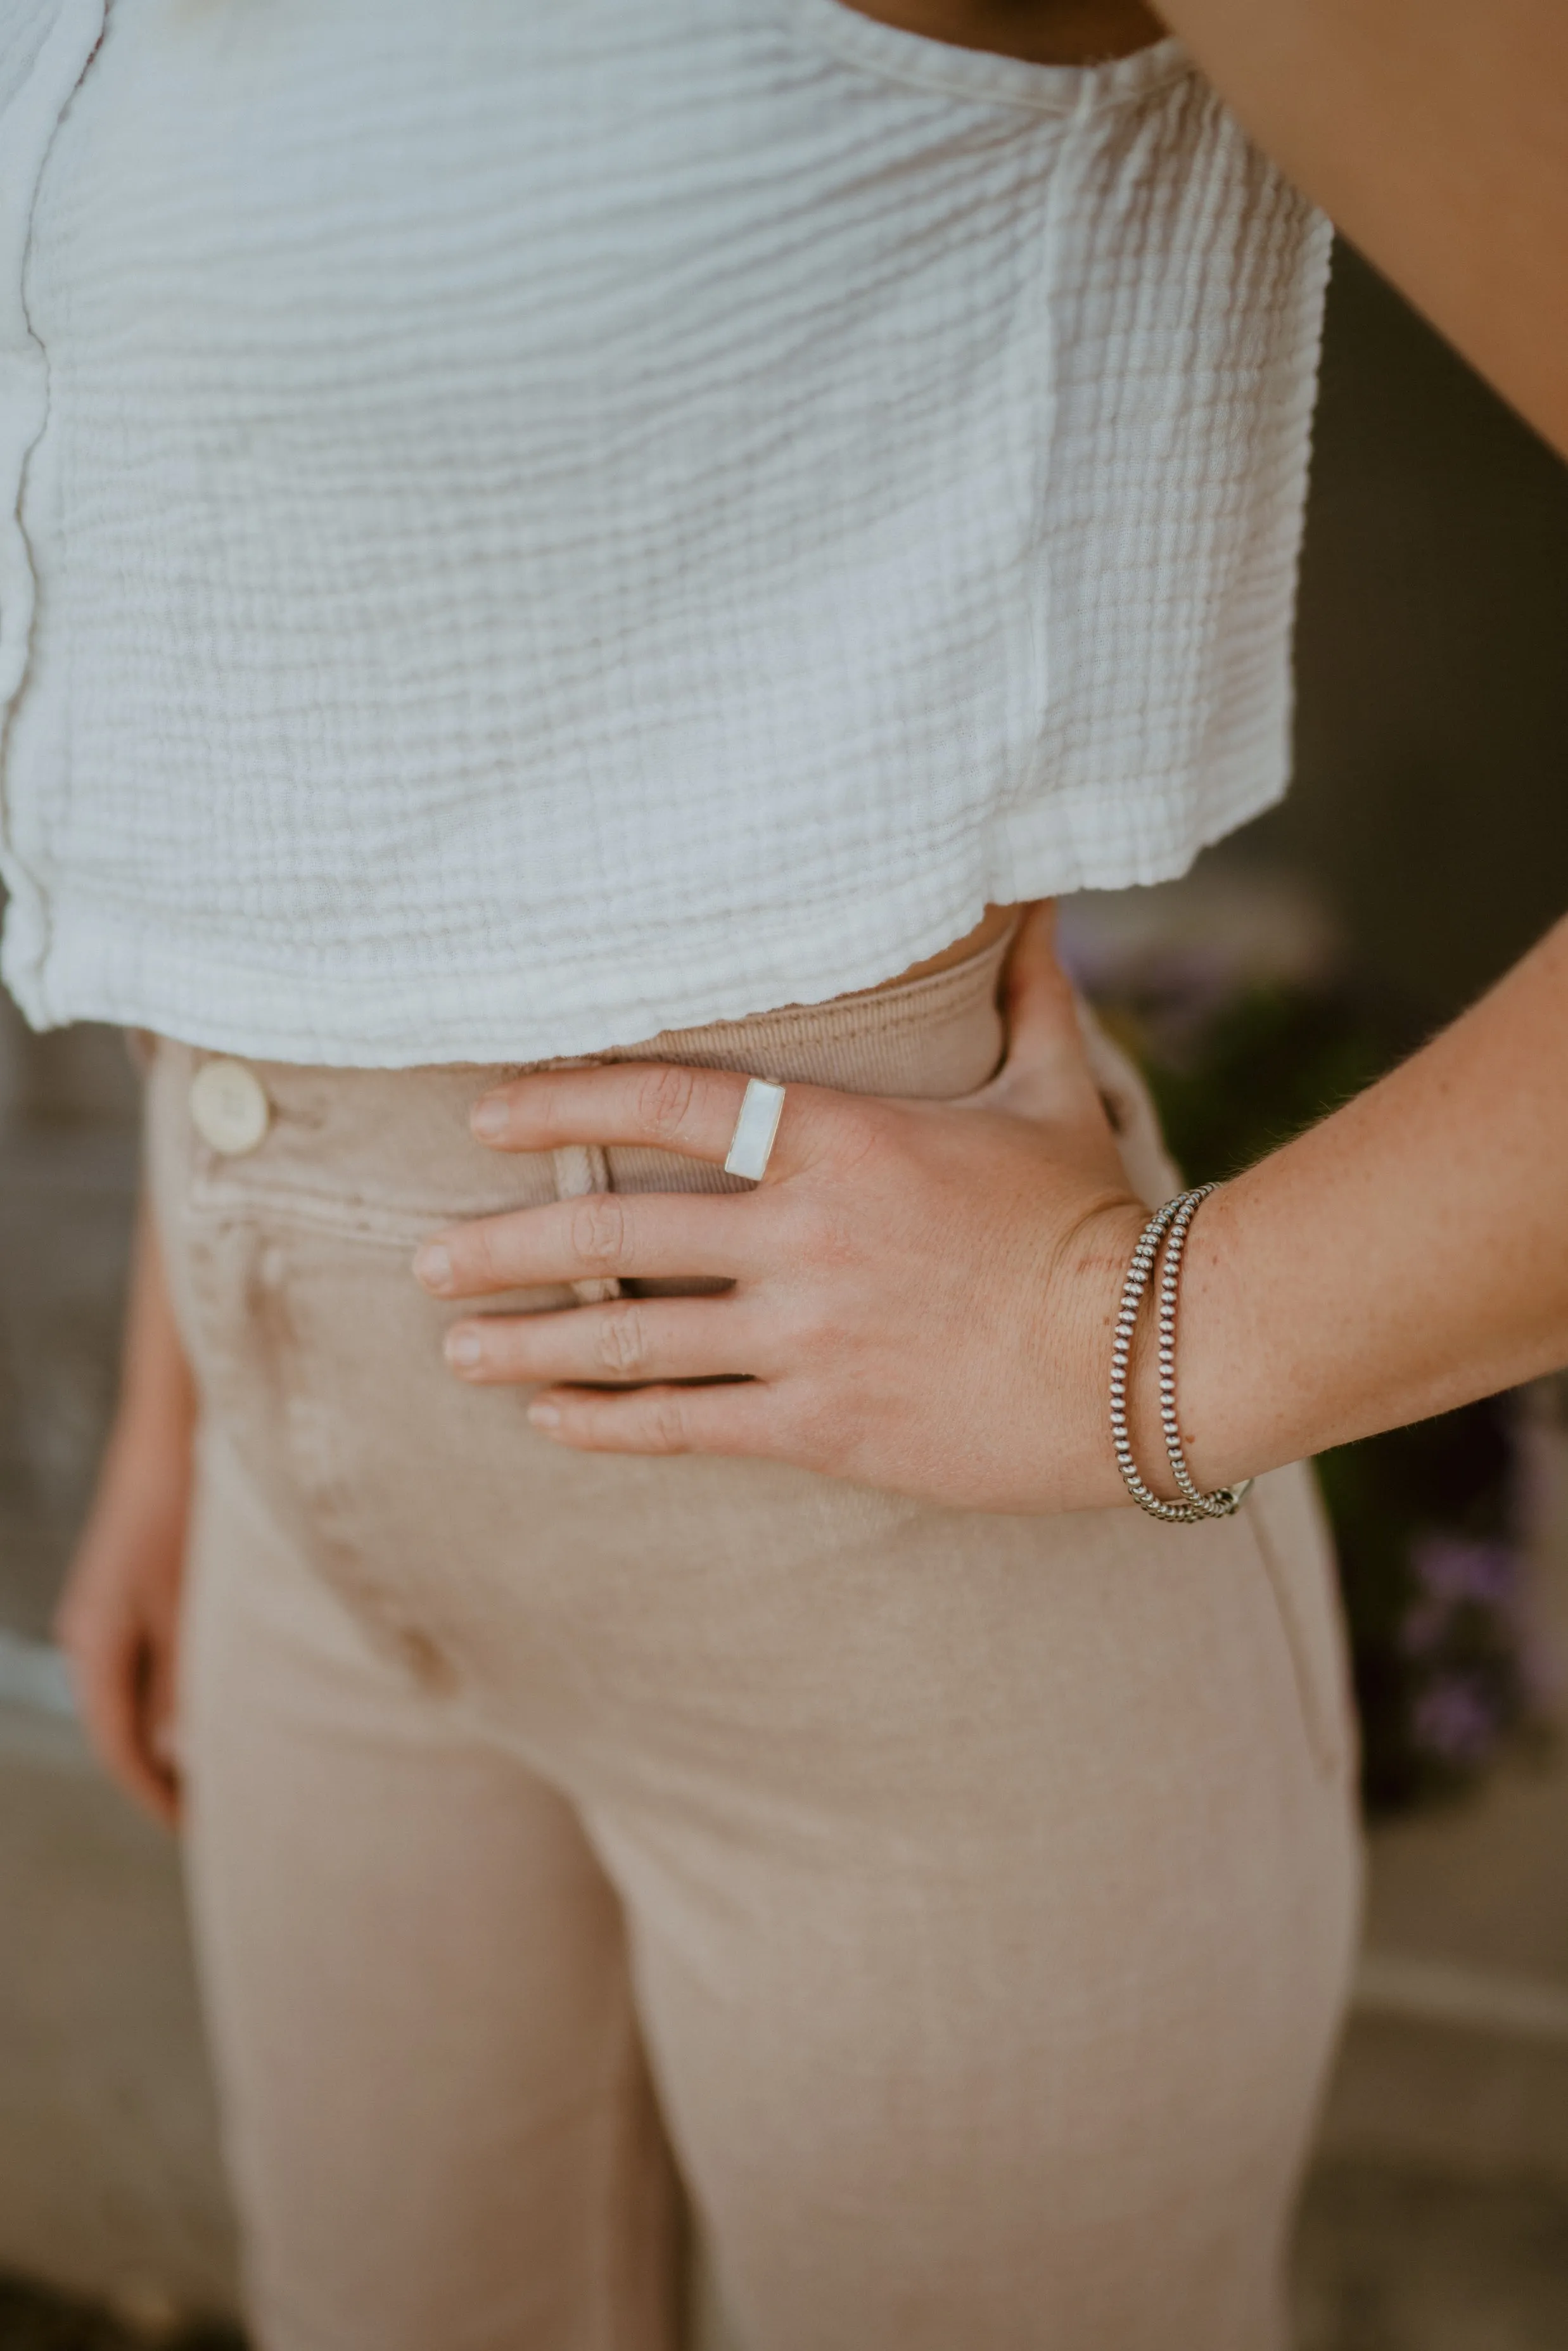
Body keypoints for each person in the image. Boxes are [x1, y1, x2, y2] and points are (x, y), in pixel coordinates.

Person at [23, 0, 1563, 2344]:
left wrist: (1126, 1343)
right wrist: (201, 1351)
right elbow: (289, 640)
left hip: (899, 1606)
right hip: (302, 1538)